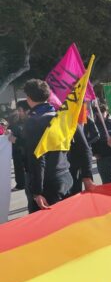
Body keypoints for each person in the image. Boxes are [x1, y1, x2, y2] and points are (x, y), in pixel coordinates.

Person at [22, 79, 73, 212]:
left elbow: (37, 157)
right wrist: (87, 175)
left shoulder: (34, 122)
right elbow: (81, 147)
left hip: (47, 183)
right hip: (66, 176)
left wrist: (37, 192)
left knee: (45, 228)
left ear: (28, 98)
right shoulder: (61, 117)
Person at [92, 104, 111, 184]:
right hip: (102, 157)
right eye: (98, 112)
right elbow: (92, 141)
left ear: (106, 112)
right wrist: (95, 153)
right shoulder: (94, 126)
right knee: (106, 182)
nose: (101, 114)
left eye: (103, 111)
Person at [8, 100, 29, 191]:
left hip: (22, 149)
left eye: (20, 110)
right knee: (19, 168)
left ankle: (22, 184)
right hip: (18, 149)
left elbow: (29, 140)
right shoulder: (17, 120)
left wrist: (16, 140)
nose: (18, 112)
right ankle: (21, 184)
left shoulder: (32, 121)